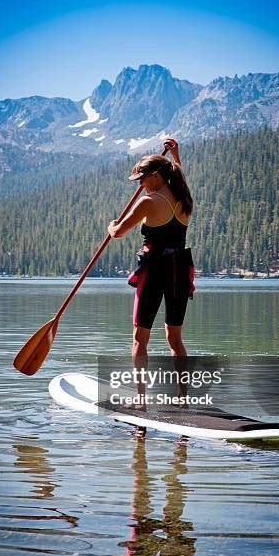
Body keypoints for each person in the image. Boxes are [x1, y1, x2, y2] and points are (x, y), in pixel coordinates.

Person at [108, 139, 195, 398]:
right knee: (175, 340)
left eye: (142, 179)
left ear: (156, 176)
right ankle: (183, 399)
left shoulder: (148, 202)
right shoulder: (184, 197)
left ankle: (140, 400)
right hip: (180, 270)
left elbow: (119, 232)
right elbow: (178, 174)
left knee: (139, 340)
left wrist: (111, 226)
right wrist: (176, 156)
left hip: (155, 271)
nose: (140, 184)